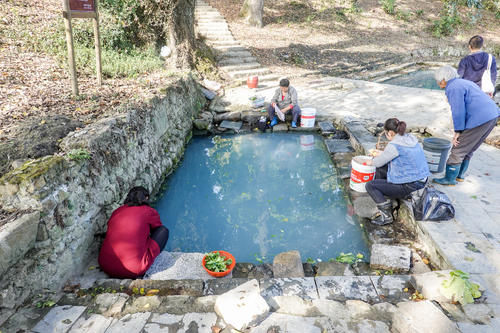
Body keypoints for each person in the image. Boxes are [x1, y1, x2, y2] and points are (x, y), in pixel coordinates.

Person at [433, 66, 499, 185]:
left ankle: (449, 179)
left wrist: (458, 131)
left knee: (459, 148)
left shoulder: (452, 87)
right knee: (469, 147)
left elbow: (458, 111)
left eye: (438, 80)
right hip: (492, 115)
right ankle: (459, 176)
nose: (437, 82)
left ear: (443, 79)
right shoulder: (463, 82)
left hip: (480, 118)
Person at [364, 118, 430, 226]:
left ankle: (387, 216)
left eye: (386, 133)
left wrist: (368, 162)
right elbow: (400, 155)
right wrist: (382, 153)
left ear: (390, 133)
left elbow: (377, 163)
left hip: (410, 185)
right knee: (382, 168)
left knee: (370, 186)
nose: (386, 135)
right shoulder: (410, 137)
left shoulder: (394, 145)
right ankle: (385, 198)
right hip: (422, 180)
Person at [98, 186, 169, 278]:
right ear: (146, 198)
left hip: (105, 266)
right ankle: (144, 261)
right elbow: (157, 228)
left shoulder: (117, 211)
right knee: (163, 231)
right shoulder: (148, 211)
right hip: (133, 269)